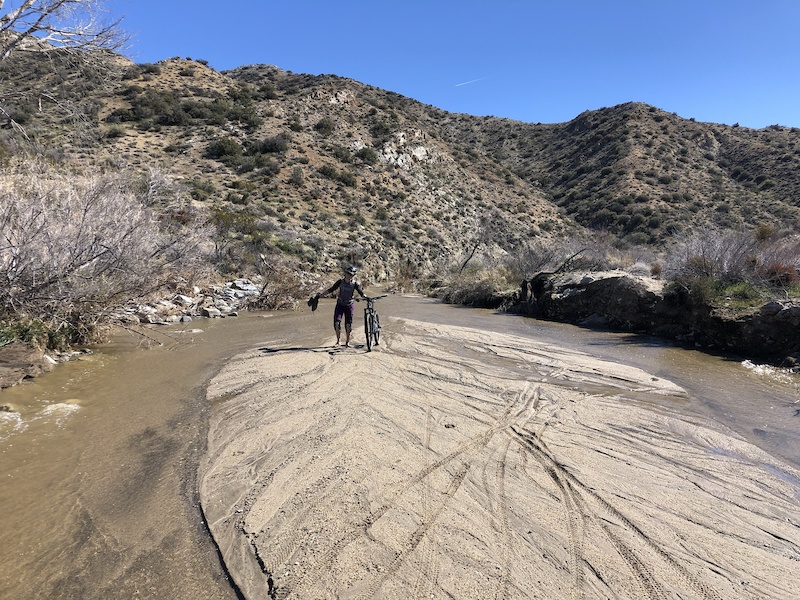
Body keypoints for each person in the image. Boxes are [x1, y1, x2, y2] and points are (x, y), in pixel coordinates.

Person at [318, 265, 365, 347]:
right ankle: (338, 341)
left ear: (353, 276)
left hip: (349, 305)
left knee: (348, 324)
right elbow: (331, 289)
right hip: (340, 304)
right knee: (336, 323)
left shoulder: (355, 284)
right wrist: (321, 295)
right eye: (348, 274)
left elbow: (361, 293)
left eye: (351, 275)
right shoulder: (340, 281)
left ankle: (347, 342)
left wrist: (366, 297)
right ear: (345, 273)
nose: (349, 276)